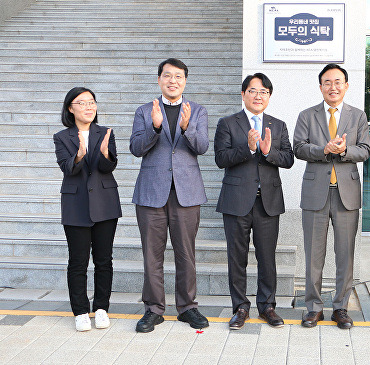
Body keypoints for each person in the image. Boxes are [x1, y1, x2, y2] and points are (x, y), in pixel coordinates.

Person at [130, 58, 209, 333]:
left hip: (186, 192)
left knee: (186, 253)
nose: (172, 80)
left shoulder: (197, 111)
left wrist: (187, 128)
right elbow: (136, 148)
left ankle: (188, 307)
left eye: (178, 76)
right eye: (167, 75)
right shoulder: (144, 111)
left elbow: (202, 147)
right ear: (159, 79)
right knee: (152, 254)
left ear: (185, 80)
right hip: (151, 192)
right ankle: (153, 309)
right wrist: (153, 127)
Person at [294, 64, 370, 329]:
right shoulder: (307, 115)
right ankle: (313, 307)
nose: (333, 87)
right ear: (320, 87)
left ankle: (341, 307)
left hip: (346, 194)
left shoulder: (358, 116)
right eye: (327, 82)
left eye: (338, 82)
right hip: (316, 192)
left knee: (345, 254)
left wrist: (342, 150)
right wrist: (323, 149)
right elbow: (298, 148)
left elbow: (364, 151)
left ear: (346, 86)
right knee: (313, 254)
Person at [214, 73, 294, 330]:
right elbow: (221, 159)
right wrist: (248, 149)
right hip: (237, 200)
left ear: (269, 97)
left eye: (264, 92)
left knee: (267, 257)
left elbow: (289, 159)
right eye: (253, 91)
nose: (258, 96)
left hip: (267, 202)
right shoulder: (227, 123)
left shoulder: (278, 125)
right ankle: (240, 307)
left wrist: (268, 152)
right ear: (243, 94)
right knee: (236, 257)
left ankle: (267, 306)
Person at [53, 87, 122, 332]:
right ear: (70, 108)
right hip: (75, 205)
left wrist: (104, 154)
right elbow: (67, 168)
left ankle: (101, 308)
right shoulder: (62, 137)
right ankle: (81, 311)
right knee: (78, 261)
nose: (88, 107)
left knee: (104, 260)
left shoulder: (105, 133)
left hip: (105, 203)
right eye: (82, 103)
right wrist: (79, 155)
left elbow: (108, 166)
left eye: (91, 102)